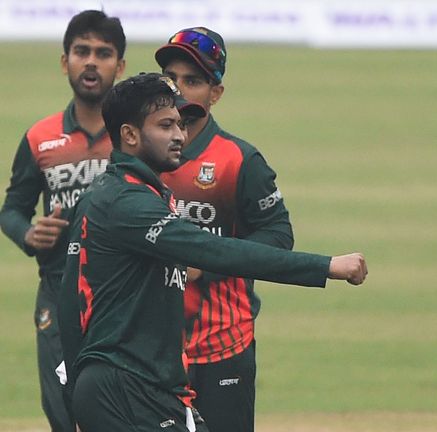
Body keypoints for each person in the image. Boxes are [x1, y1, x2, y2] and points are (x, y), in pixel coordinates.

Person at [61, 72, 367, 432]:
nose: (179, 135)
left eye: (179, 124)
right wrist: (327, 266)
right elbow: (213, 250)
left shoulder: (132, 195)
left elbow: (70, 295)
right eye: (165, 125)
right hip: (125, 387)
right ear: (129, 134)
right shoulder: (123, 201)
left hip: (150, 387)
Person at [153, 27, 294, 431]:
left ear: (216, 94)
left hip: (222, 344)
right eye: (171, 79)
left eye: (193, 81)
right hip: (152, 347)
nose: (178, 90)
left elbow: (278, 237)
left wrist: (206, 263)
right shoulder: (137, 156)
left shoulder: (238, 159)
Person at [0, 10, 125, 432]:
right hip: (58, 291)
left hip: (123, 295)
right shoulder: (40, 137)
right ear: (64, 61)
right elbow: (12, 209)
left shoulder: (134, 135)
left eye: (103, 53)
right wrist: (29, 233)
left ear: (120, 66)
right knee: (63, 413)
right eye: (81, 51)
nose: (91, 61)